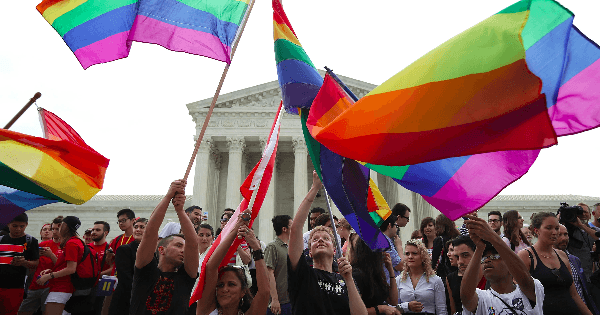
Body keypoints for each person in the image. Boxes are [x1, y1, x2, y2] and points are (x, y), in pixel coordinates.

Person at [288, 171, 367, 315]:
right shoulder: (303, 274)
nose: (320, 240)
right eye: (315, 239)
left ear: (335, 251)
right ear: (309, 251)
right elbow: (296, 229)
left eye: (326, 238)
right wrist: (315, 188)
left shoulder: (345, 280)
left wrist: (349, 279)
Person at [130, 180, 198, 315]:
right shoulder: (144, 270)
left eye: (184, 246)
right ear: (161, 250)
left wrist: (180, 211)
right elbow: (150, 231)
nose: (183, 250)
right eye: (178, 245)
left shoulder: (186, 276)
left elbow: (193, 243)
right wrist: (168, 197)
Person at [460, 214, 544, 315]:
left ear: (510, 265)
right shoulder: (482, 297)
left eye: (494, 257)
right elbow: (466, 296)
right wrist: (479, 248)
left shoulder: (530, 290)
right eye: (484, 258)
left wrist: (492, 237)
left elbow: (525, 279)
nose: (487, 260)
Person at [196, 209, 270, 315]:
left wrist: (256, 248)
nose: (225, 289)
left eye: (231, 284)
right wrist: (235, 229)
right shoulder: (205, 311)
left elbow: (265, 291)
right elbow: (210, 267)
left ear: (243, 291)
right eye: (220, 285)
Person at [518, 212, 592, 315]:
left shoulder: (562, 255)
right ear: (536, 230)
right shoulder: (526, 255)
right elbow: (518, 293)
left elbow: (574, 294)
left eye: (556, 228)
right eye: (549, 228)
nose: (554, 232)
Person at [36, 216, 83, 315]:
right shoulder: (73, 242)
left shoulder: (72, 243)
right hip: (61, 287)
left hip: (62, 288)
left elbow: (71, 269)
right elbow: (65, 265)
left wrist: (49, 276)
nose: (57, 228)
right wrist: (51, 271)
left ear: (66, 227)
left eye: (60, 226)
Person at [18, 216, 62, 315]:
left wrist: (51, 255)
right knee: (22, 311)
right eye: (45, 229)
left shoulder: (65, 245)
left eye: (53, 229)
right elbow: (30, 264)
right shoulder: (42, 245)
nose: (51, 231)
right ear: (40, 233)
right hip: (34, 285)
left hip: (51, 287)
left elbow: (63, 268)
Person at [347, 233, 400, 315]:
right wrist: (381, 309)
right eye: (381, 249)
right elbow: (354, 311)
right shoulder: (357, 274)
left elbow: (393, 301)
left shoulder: (376, 272)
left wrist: (390, 270)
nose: (384, 253)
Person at [555, 223, 600, 315]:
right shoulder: (543, 261)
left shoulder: (574, 260)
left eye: (566, 234)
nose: (564, 238)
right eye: (559, 234)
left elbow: (581, 290)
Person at [0, 213, 40, 315]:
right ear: (8, 224)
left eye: (21, 226)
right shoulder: (1, 240)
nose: (18, 229)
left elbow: (36, 263)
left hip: (15, 287)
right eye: (15, 226)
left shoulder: (31, 241)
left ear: (26, 224)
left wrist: (24, 262)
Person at [107, 218, 147, 315]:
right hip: (126, 299)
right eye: (136, 227)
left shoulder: (154, 251)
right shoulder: (124, 249)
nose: (138, 230)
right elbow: (125, 278)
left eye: (142, 227)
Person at [395, 239, 446, 314]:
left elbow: (442, 310)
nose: (410, 257)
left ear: (423, 256)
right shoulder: (399, 279)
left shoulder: (435, 280)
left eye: (414, 253)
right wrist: (407, 306)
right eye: (407, 254)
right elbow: (393, 307)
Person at [446, 235, 481, 315]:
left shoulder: (489, 277)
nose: (460, 261)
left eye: (465, 255)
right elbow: (453, 310)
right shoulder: (451, 279)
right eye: (457, 257)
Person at [265, 215, 293, 315]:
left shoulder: (289, 247)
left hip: (290, 300)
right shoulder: (273, 247)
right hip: (278, 304)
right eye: (291, 225)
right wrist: (275, 299)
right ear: (284, 229)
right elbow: (269, 273)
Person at [88, 221, 115, 315]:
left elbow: (114, 268)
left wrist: (99, 275)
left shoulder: (111, 249)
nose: (94, 232)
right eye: (93, 230)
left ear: (106, 232)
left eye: (98, 230)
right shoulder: (86, 248)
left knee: (101, 310)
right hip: (88, 285)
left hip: (105, 284)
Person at [431, 214, 460, 279]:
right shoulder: (458, 238)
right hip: (457, 271)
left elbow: (434, 261)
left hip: (443, 274)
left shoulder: (439, 240)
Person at [380, 215, 403, 279]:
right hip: (388, 282)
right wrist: (399, 246)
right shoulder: (385, 242)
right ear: (389, 226)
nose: (396, 229)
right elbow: (400, 266)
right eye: (396, 226)